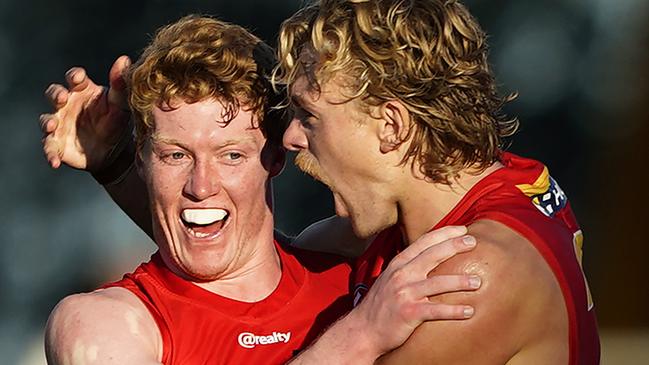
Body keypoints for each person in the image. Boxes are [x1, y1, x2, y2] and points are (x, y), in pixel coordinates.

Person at [40, 15, 481, 364]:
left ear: (275, 158)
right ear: (144, 160)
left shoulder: (355, 266)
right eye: (176, 155)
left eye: (231, 155)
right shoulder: (103, 324)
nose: (201, 186)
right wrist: (360, 338)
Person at [271, 0, 600, 364]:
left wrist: (356, 337)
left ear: (392, 126)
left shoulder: (472, 275)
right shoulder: (500, 183)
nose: (291, 137)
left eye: (309, 116)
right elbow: (291, 260)